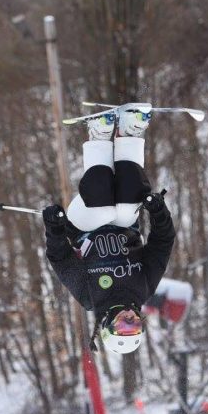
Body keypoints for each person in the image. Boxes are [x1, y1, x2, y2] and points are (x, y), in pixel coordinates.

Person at [42, 105, 176, 355]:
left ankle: (99, 135)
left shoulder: (90, 296)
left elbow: (60, 257)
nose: (129, 317)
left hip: (83, 224)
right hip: (124, 222)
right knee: (128, 207)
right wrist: (158, 211)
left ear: (106, 324)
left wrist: (54, 228)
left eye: (123, 324)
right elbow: (163, 242)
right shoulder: (144, 288)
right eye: (135, 324)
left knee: (104, 209)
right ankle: (129, 131)